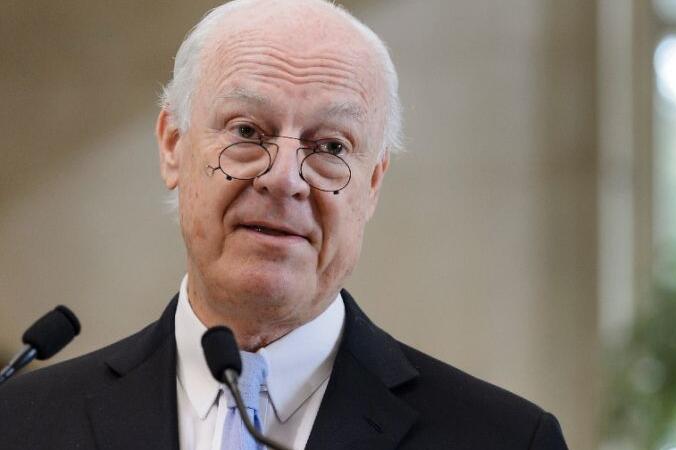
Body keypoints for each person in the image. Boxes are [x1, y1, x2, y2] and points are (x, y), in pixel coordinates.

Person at [0, 0, 569, 448]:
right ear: (173, 145)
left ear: (372, 184)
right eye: (247, 132)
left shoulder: (504, 439)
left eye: (331, 146)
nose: (284, 178)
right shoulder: (21, 423)